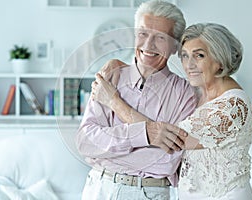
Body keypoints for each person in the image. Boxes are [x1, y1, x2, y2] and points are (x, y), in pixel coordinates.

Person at [91, 23, 252, 199]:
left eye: (199, 55)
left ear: (220, 59)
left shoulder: (233, 106)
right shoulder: (197, 92)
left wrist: (113, 101)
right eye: (184, 56)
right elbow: (157, 79)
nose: (189, 65)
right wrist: (118, 65)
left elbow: (168, 138)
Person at [75, 0, 198, 199]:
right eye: (143, 34)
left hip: (148, 193)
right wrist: (146, 134)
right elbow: (86, 142)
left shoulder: (186, 94)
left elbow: (166, 161)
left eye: (160, 37)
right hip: (99, 188)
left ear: (175, 46)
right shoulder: (110, 77)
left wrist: (110, 146)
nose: (148, 45)